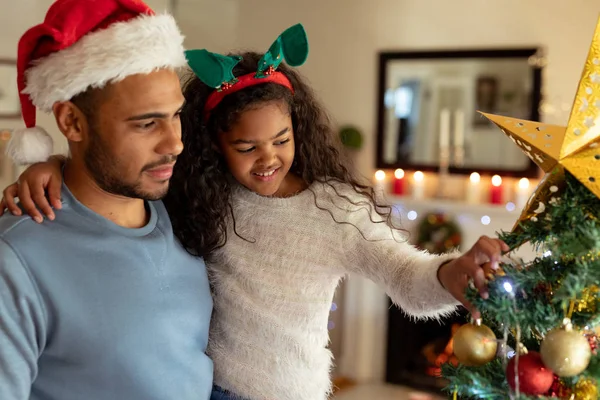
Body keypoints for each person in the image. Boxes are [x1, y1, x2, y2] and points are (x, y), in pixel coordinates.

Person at [2, 24, 508, 400]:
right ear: (217, 147)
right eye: (246, 147)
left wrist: (449, 273)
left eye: (281, 140)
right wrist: (49, 166)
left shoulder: (335, 209)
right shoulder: (195, 193)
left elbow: (404, 274)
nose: (268, 159)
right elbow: (107, 180)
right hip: (216, 389)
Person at [0, 1, 213, 399]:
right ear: (71, 122)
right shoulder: (17, 257)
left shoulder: (190, 211)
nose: (175, 143)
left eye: (175, 116)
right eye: (147, 123)